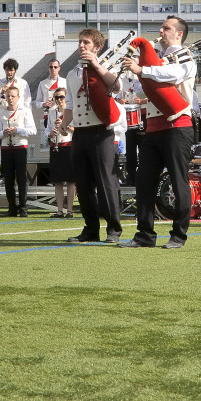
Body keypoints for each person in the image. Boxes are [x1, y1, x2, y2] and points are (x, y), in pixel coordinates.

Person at [118, 16, 196, 248]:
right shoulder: (157, 59)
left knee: (178, 181)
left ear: (179, 34)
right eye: (162, 27)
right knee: (144, 181)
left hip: (177, 126)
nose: (160, 30)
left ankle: (178, 235)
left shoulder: (184, 55)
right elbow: (145, 88)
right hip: (153, 127)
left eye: (166, 28)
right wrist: (136, 73)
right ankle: (144, 235)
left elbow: (174, 75)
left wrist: (142, 68)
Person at [61, 28, 124, 244]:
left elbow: (117, 87)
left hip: (101, 132)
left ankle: (113, 230)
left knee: (106, 182)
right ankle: (90, 229)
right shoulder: (71, 74)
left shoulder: (104, 66)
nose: (81, 46)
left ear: (97, 47)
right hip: (80, 133)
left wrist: (96, 65)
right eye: (80, 42)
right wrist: (63, 124)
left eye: (86, 42)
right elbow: (69, 104)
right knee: (83, 183)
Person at [0, 86, 37, 217]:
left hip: (20, 147)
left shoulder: (25, 111)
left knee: (22, 178)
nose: (10, 99)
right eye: (8, 96)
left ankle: (23, 207)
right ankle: (12, 208)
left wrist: (17, 130)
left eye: (13, 96)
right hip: (6, 148)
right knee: (9, 179)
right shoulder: (1, 113)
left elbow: (32, 130)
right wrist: (4, 132)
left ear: (18, 97)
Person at [46, 87, 76, 218]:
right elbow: (47, 130)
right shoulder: (52, 112)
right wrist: (51, 133)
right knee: (57, 180)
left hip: (68, 145)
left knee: (70, 180)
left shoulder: (72, 111)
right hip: (55, 146)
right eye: (56, 97)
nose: (59, 100)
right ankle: (59, 210)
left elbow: (77, 130)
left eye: (61, 97)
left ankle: (69, 210)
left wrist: (66, 127)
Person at [34, 58, 66, 126]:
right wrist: (44, 104)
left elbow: (70, 100)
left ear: (59, 68)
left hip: (63, 115)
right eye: (51, 67)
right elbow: (37, 102)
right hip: (48, 116)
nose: (53, 69)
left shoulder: (65, 82)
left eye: (55, 67)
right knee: (50, 135)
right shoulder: (42, 83)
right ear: (48, 68)